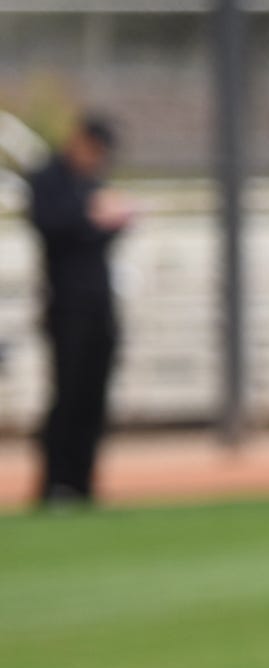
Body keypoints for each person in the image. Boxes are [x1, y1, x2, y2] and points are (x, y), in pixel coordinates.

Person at [25, 113, 134, 507]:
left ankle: (83, 483)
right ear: (80, 141)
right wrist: (92, 219)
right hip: (66, 304)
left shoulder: (94, 183)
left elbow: (103, 236)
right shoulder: (49, 179)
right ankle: (55, 483)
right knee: (66, 395)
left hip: (99, 302)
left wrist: (114, 221)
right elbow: (51, 226)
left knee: (94, 396)